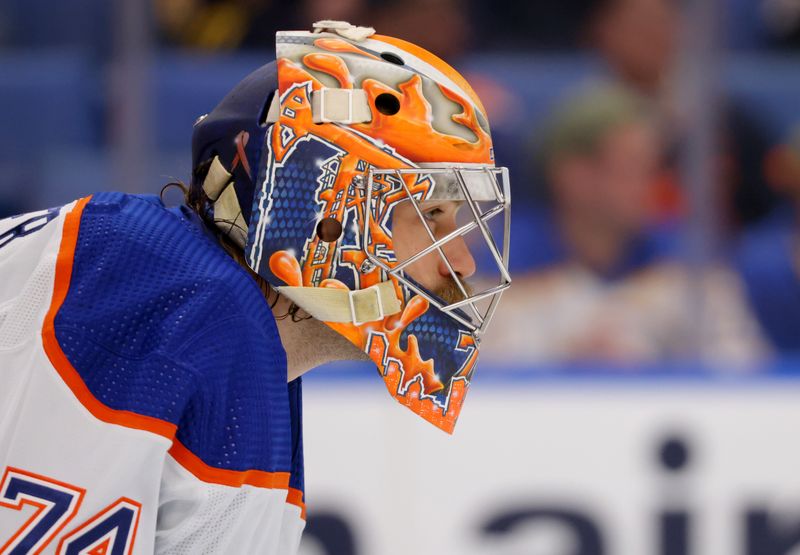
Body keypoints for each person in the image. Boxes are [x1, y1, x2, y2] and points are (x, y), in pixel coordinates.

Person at [0, 21, 510, 553]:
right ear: (323, 213)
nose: (461, 261)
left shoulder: (256, 365)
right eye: (431, 216)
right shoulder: (155, 283)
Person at [481, 83, 765, 364]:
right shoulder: (497, 260)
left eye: (655, 169)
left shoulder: (687, 260)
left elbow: (740, 363)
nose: (651, 186)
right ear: (574, 175)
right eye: (633, 167)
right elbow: (478, 372)